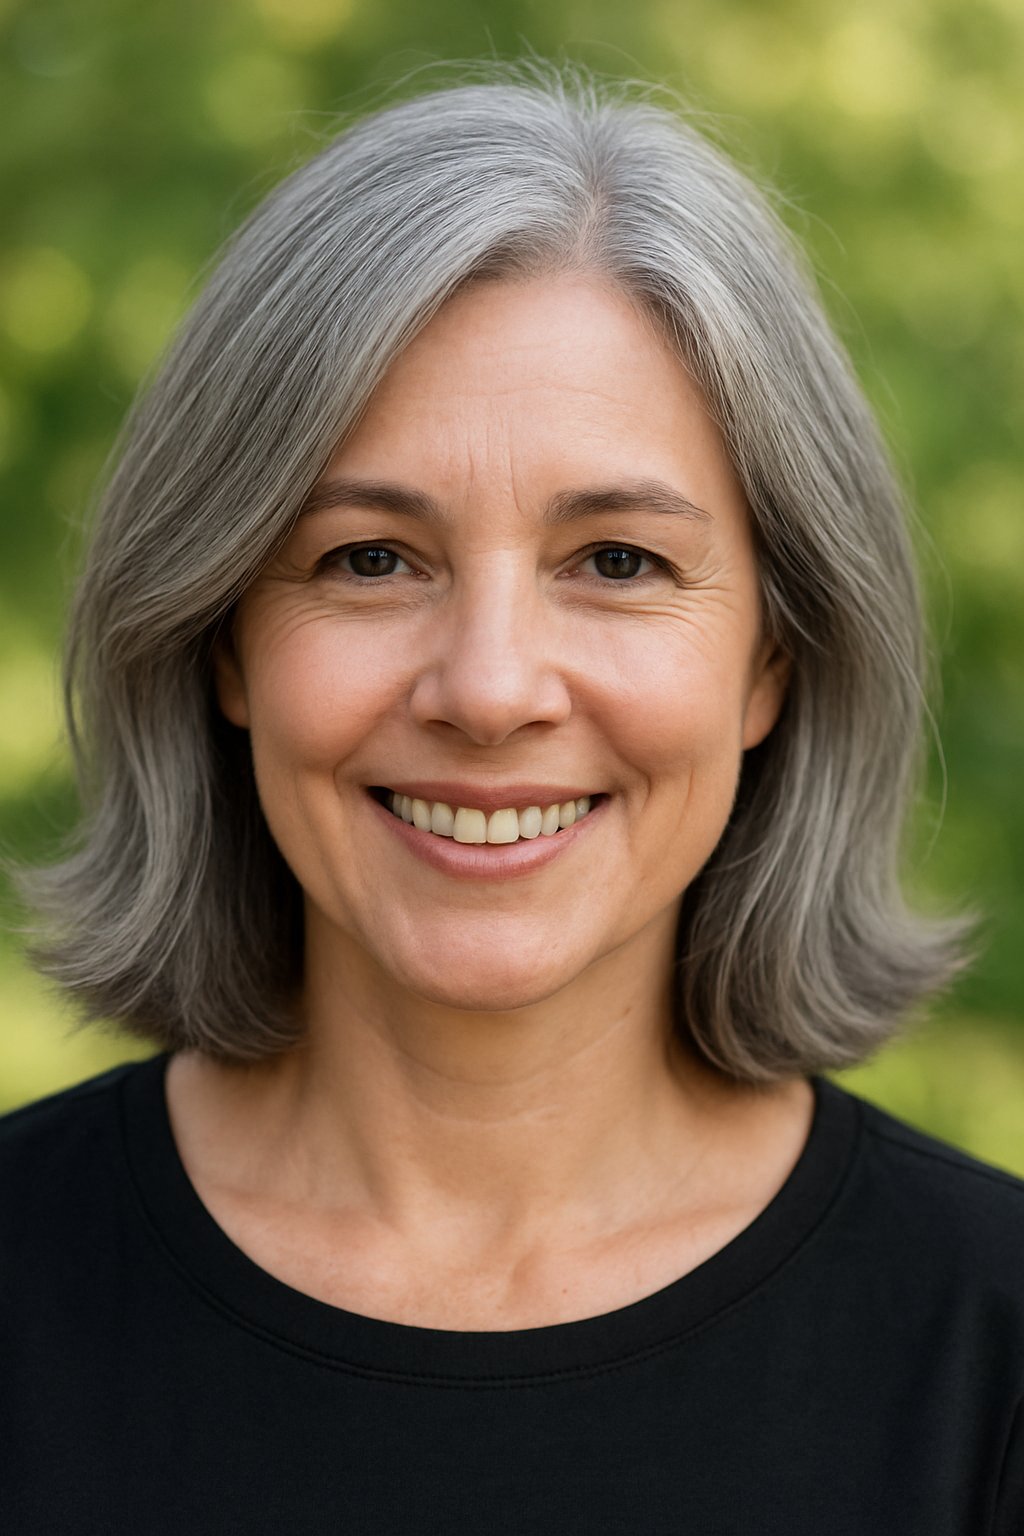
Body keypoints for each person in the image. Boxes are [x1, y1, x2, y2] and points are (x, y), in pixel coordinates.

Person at [1, 60, 1021, 1534]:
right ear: (225, 640)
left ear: (772, 663)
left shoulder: (991, 1357)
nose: (488, 689)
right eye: (369, 558)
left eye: (617, 561)